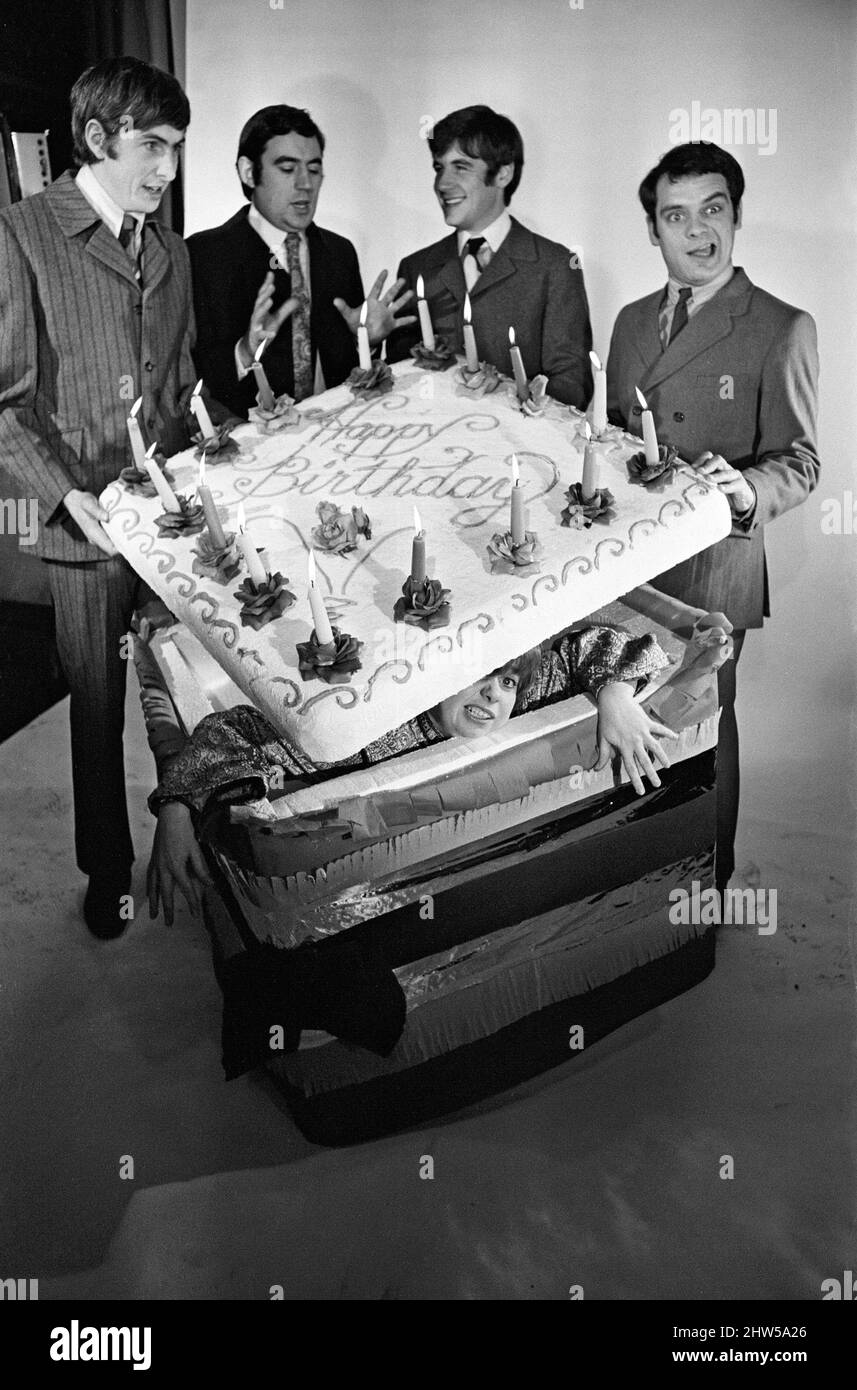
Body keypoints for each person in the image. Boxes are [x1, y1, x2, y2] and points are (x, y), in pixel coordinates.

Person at [0, 57, 211, 938]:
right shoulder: (21, 234)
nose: (166, 168)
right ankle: (106, 871)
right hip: (82, 524)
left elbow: (185, 379)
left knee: (190, 688)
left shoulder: (171, 249)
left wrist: (224, 438)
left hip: (169, 519)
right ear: (95, 139)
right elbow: (6, 401)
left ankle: (196, 830)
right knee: (95, 705)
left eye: (176, 148)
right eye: (150, 147)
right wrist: (62, 497)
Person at [147, 624, 681, 926]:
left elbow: (598, 643)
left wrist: (615, 695)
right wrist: (175, 809)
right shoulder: (372, 727)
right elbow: (231, 731)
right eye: (477, 680)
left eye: (506, 683)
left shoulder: (517, 698)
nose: (494, 695)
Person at [606, 141, 819, 894]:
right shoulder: (631, 322)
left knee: (701, 725)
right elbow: (614, 439)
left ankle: (706, 878)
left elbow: (799, 462)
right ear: (651, 230)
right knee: (623, 712)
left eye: (713, 209)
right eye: (675, 215)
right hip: (629, 562)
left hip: (715, 563)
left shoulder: (780, 325)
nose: (697, 232)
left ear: (734, 214)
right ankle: (634, 874)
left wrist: (744, 492)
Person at [186, 104, 416, 418]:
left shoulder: (339, 252)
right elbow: (190, 376)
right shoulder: (203, 255)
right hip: (246, 450)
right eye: (287, 168)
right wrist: (244, 351)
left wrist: (366, 340)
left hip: (337, 441)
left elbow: (351, 371)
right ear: (248, 172)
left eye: (313, 168)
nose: (305, 184)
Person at [385, 105, 592, 407]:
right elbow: (401, 383)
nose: (442, 184)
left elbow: (572, 386)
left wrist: (509, 398)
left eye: (461, 167)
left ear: (503, 173)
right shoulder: (416, 267)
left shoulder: (555, 266)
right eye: (439, 167)